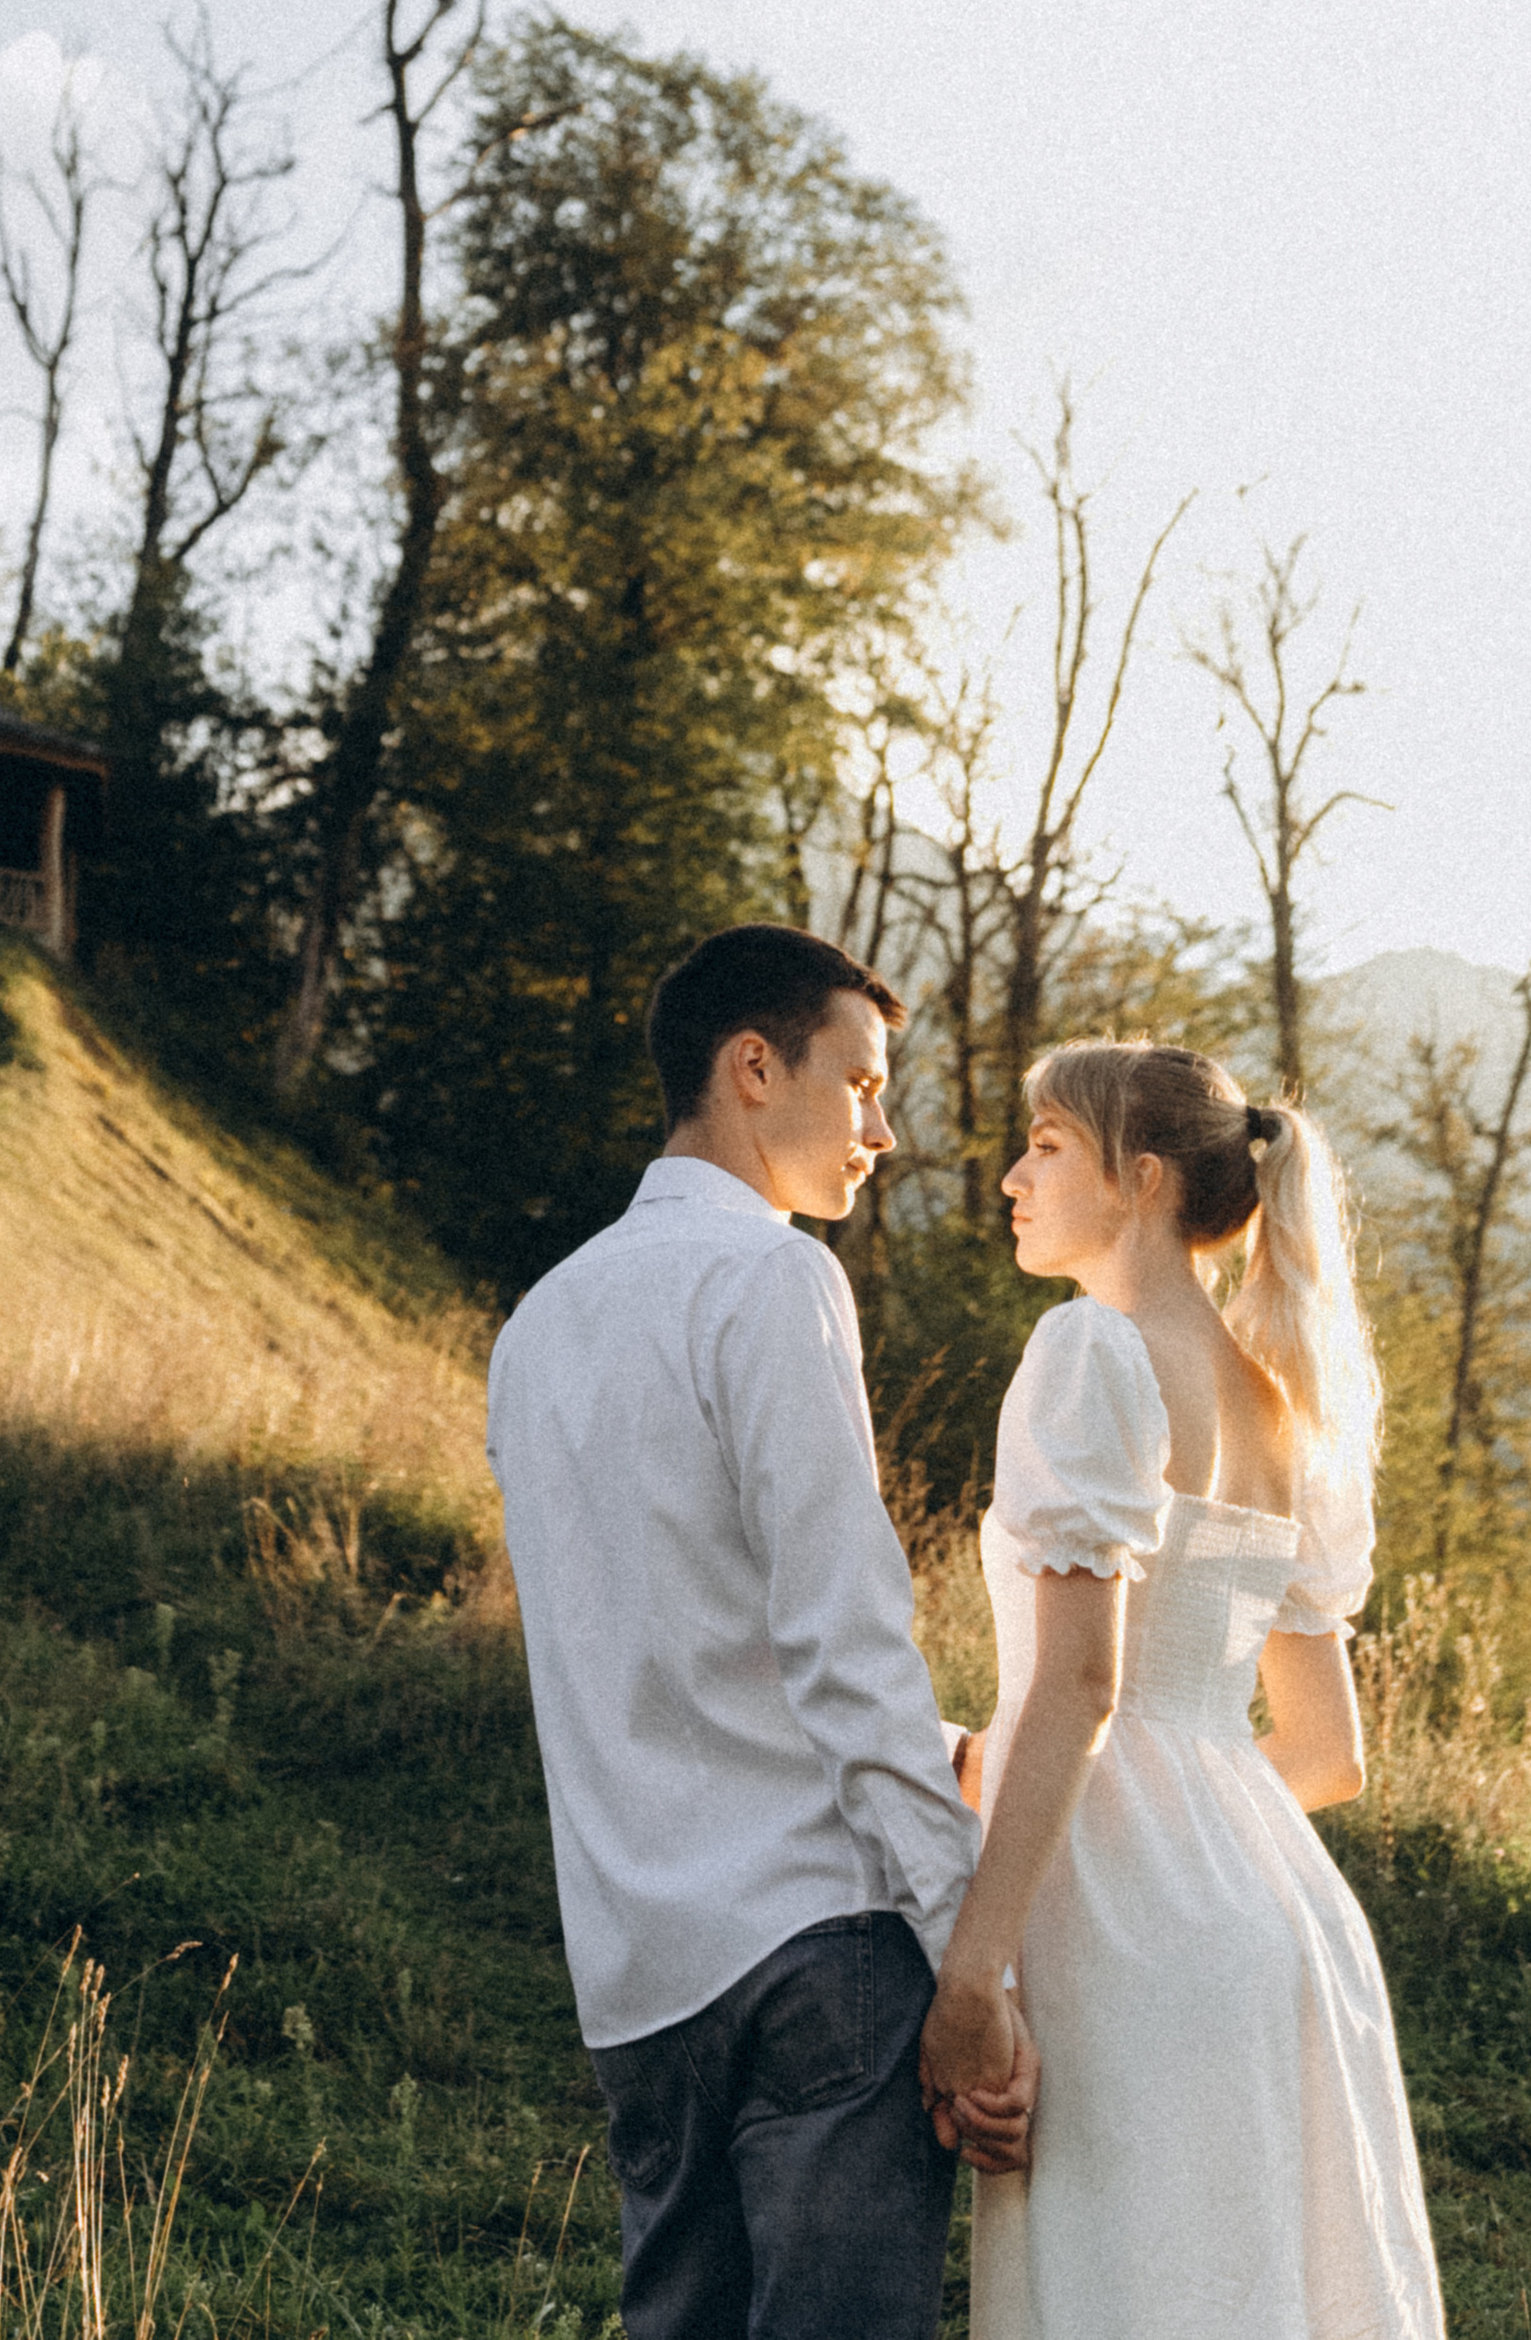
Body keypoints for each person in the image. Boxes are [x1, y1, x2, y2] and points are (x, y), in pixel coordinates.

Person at [486, 924, 1034, 2340]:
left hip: (637, 1976)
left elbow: (629, 1653)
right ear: (751, 1068)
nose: (883, 1130)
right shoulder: (771, 1281)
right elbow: (845, 1647)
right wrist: (970, 1947)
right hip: (815, 1952)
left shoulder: (536, 1327)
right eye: (857, 1084)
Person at [935, 1040, 1445, 2340]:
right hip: (1281, 1926)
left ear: (1143, 1178)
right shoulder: (1290, 1416)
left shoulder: (1091, 1354)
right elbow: (1328, 1756)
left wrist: (973, 1974)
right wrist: (1182, 1813)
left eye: (1046, 1146)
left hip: (1121, 1933)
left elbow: (1084, 1687)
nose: (1011, 1177)